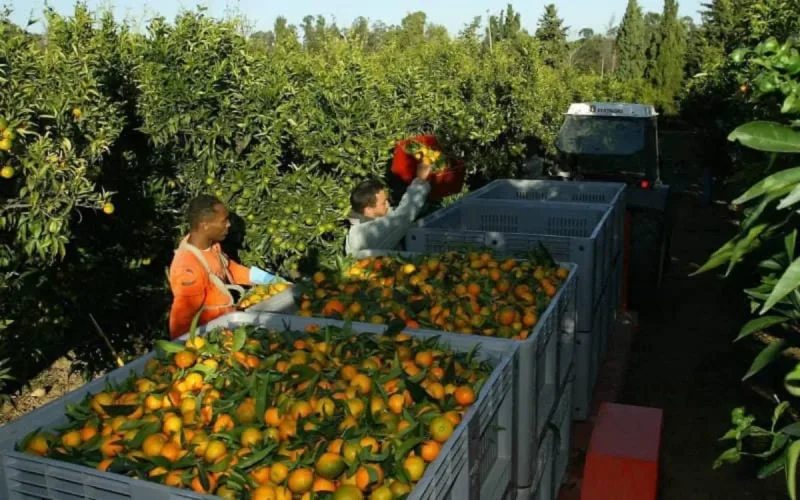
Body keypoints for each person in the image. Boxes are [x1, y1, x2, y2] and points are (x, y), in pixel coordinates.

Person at [168, 194, 278, 338]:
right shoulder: (188, 270)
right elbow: (181, 322)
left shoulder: (211, 246)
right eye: (224, 221)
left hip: (229, 325)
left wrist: (264, 278)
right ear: (205, 225)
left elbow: (228, 268)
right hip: (212, 337)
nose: (228, 225)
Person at [345, 161, 431, 255]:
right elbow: (402, 217)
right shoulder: (363, 234)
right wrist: (420, 181)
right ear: (368, 209)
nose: (388, 205)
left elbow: (394, 214)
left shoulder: (370, 219)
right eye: (383, 203)